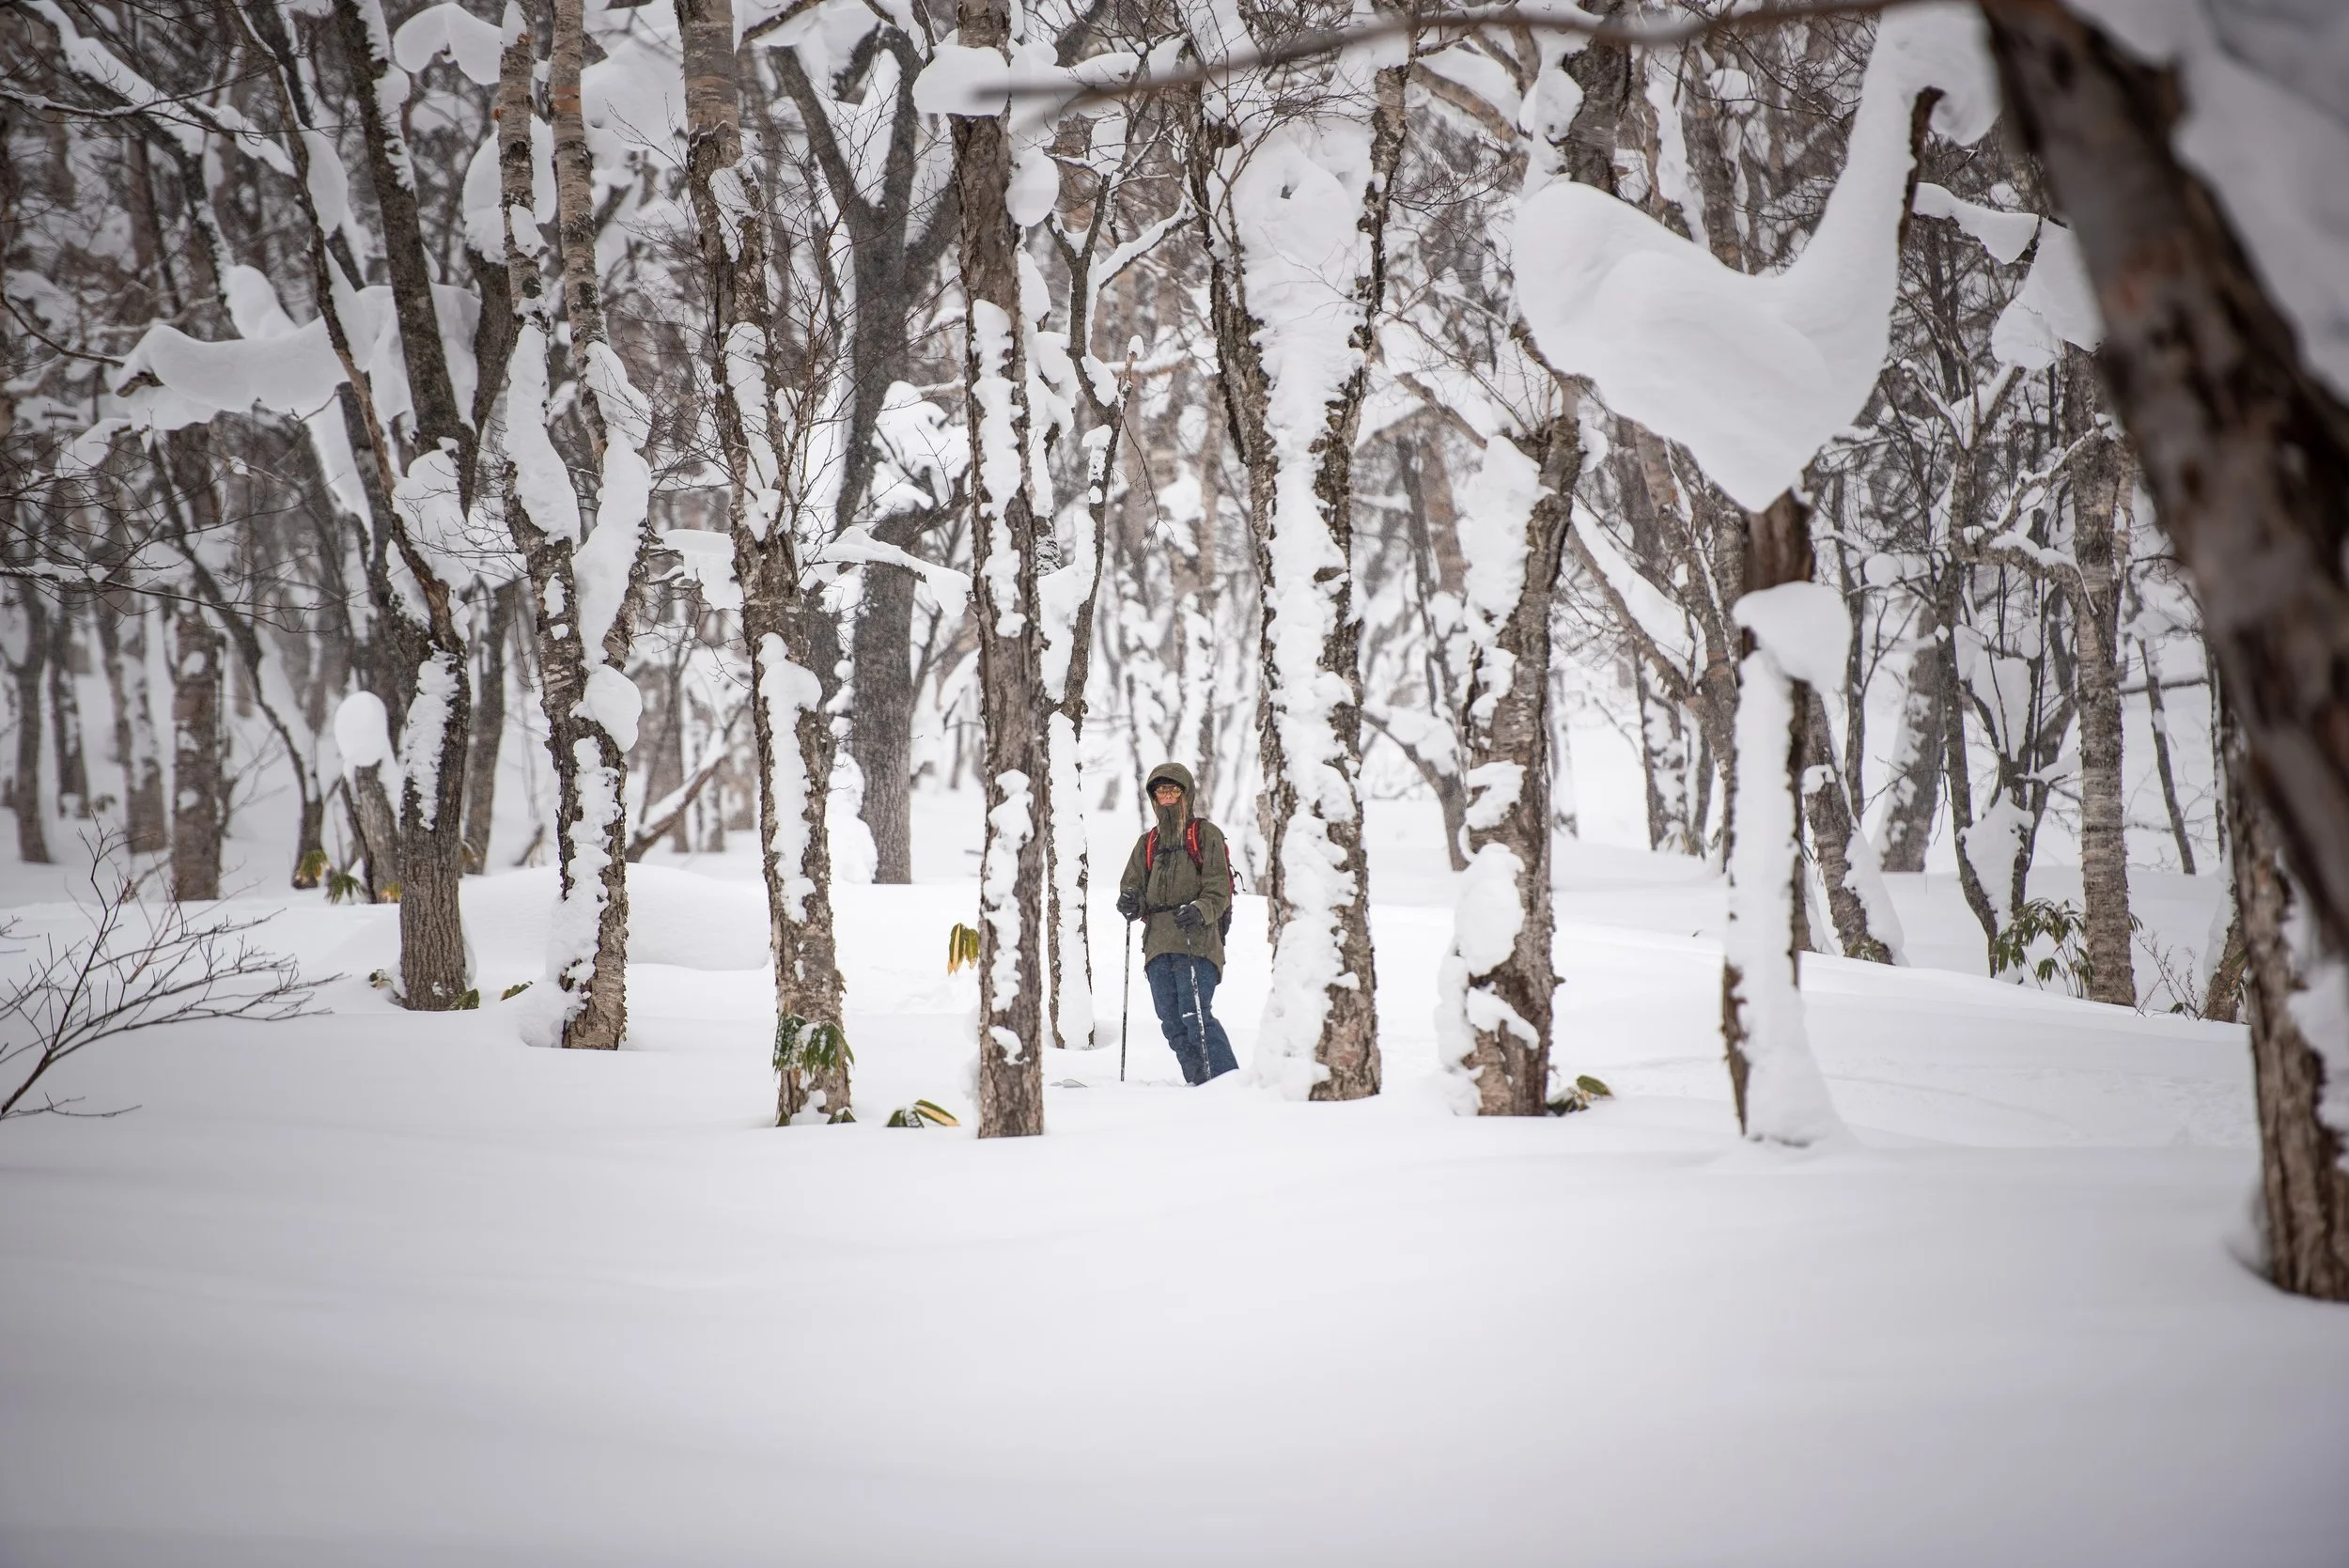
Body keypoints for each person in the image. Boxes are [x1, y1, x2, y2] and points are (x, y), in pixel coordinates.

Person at [1115, 763, 1238, 1085]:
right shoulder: (1148, 842)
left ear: (1186, 793)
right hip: (1157, 943)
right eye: (1160, 791)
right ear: (1153, 797)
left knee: (1195, 1015)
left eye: (1173, 790)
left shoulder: (1205, 834)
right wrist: (1130, 902)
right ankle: (1199, 1083)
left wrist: (1200, 910)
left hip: (1196, 940)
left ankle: (1225, 1084)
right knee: (1171, 1021)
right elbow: (1133, 886)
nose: (1166, 796)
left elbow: (1218, 889)